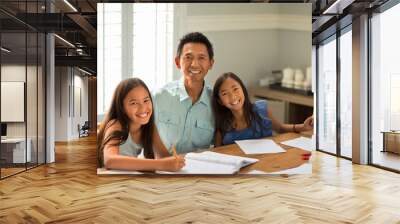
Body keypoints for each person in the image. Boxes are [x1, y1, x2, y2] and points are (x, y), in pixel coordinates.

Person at [97, 78, 185, 171]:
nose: (143, 108)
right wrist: (161, 164)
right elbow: (110, 161)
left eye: (146, 100)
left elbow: (164, 158)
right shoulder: (116, 125)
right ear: (122, 107)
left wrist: (176, 159)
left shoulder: (149, 127)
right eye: (134, 103)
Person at [212, 72, 314, 147]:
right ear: (220, 101)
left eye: (235, 89)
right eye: (225, 94)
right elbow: (218, 153)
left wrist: (303, 127)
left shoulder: (261, 110)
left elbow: (280, 128)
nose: (233, 96)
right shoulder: (221, 124)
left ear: (243, 89)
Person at [153, 32, 215, 154]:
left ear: (211, 64)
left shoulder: (216, 102)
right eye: (188, 57)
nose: (194, 64)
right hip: (160, 168)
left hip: (198, 170)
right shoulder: (158, 97)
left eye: (201, 58)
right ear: (177, 62)